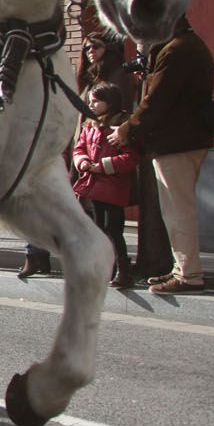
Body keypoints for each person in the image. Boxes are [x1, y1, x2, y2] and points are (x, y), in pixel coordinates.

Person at [111, 17, 214, 294]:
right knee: (177, 209)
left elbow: (157, 99)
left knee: (178, 210)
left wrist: (127, 128)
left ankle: (189, 274)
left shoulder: (175, 50)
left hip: (176, 140)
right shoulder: (187, 45)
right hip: (185, 137)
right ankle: (181, 268)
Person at [71, 82, 140, 288]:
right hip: (94, 183)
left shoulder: (120, 125)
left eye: (96, 101)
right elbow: (79, 147)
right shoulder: (90, 124)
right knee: (98, 228)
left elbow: (131, 157)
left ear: (109, 103)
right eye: (90, 101)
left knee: (114, 229)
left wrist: (104, 166)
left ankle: (123, 270)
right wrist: (82, 161)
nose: (91, 105)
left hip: (113, 185)